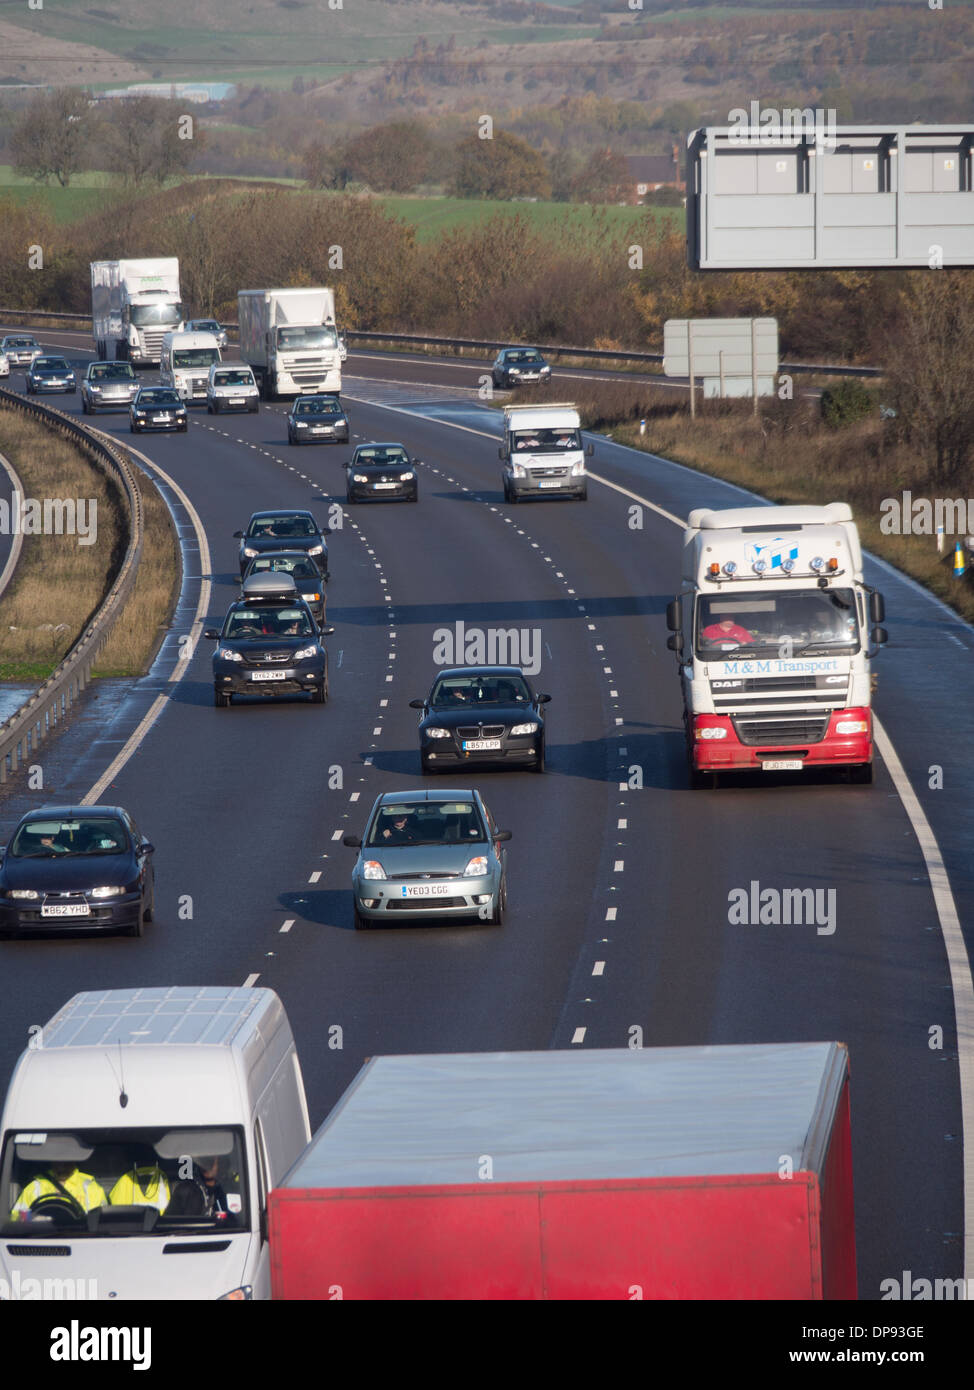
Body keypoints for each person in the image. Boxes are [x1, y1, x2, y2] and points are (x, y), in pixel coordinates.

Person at [11, 1160, 107, 1218]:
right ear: (51, 1161)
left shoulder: (91, 1188)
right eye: (58, 1162)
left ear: (74, 1161)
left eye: (66, 1162)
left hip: (81, 1238)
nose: (62, 1167)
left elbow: (101, 1222)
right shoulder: (35, 1187)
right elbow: (17, 1218)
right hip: (41, 1238)